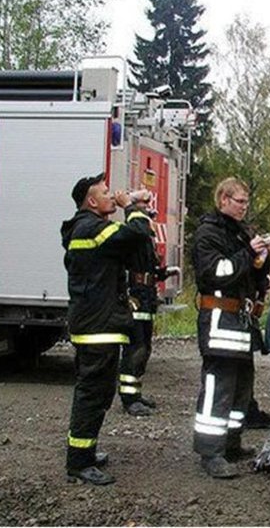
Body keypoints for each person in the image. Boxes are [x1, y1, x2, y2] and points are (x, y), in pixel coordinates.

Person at [61, 173, 152, 485]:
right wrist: (132, 207)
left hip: (97, 323)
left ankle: (85, 453)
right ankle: (79, 462)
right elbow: (136, 234)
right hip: (97, 327)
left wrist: (136, 201)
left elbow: (133, 250)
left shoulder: (87, 227)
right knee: (92, 394)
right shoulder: (93, 229)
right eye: (105, 192)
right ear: (90, 201)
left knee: (97, 394)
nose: (111, 195)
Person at [191, 177, 270, 479]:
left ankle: (232, 443)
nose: (244, 207)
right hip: (218, 323)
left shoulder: (239, 234)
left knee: (241, 388)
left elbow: (247, 274)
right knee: (218, 388)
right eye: (240, 201)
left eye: (246, 202)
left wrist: (262, 261)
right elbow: (217, 273)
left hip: (240, 324)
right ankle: (210, 452)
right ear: (223, 199)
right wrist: (248, 253)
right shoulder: (208, 233)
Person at [118, 193, 175, 417]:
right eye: (144, 204)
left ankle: (135, 393)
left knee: (144, 348)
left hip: (147, 294)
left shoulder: (145, 232)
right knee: (135, 348)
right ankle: (129, 399)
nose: (149, 208)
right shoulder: (134, 230)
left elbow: (147, 264)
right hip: (137, 295)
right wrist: (131, 207)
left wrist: (162, 273)